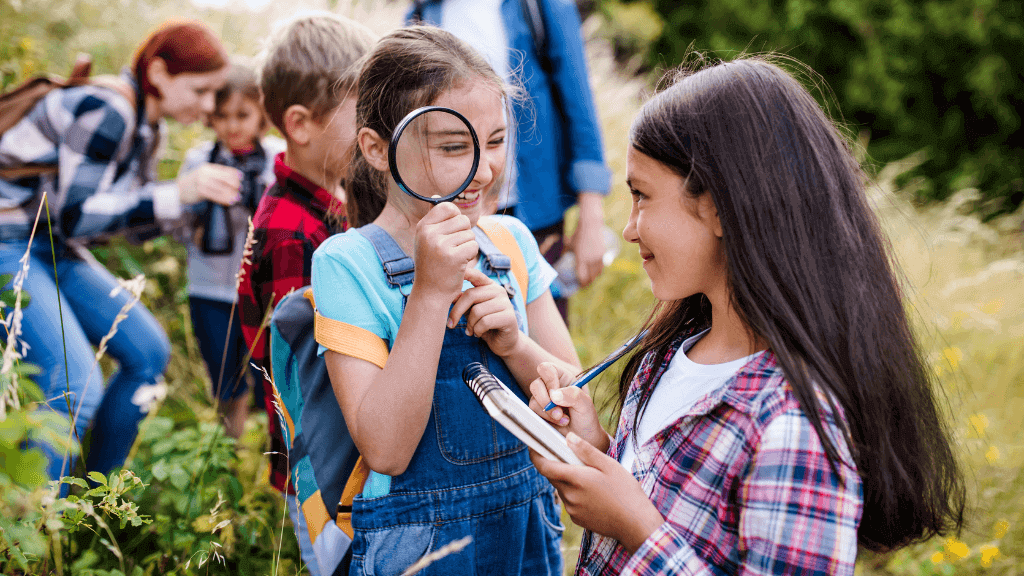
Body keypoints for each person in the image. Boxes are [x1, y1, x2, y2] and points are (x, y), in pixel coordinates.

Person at [528, 57, 967, 575]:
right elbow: (666, 492)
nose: (629, 228)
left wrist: (637, 531)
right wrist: (595, 448)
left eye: (642, 196)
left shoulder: (794, 425)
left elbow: (647, 521)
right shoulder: (670, 352)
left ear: (715, 205)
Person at [311, 26, 581, 576]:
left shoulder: (512, 243)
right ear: (377, 150)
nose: (484, 171)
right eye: (455, 147)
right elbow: (386, 450)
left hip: (527, 533)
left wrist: (514, 343)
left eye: (499, 140)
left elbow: (570, 409)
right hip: (420, 550)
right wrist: (430, 293)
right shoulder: (346, 264)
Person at [0, 19, 230, 483]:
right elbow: (78, 216)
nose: (208, 106)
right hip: (9, 241)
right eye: (201, 90)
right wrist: (174, 194)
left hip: (50, 245)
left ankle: (92, 500)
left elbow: (119, 222)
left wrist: (191, 210)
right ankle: (35, 534)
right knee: (72, 387)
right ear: (160, 72)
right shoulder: (111, 109)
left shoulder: (148, 129)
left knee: (148, 353)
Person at [235, 11, 376, 576]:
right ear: (301, 124)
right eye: (360, 116)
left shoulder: (321, 203)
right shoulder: (293, 233)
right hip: (324, 468)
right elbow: (311, 373)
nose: (374, 132)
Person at [408, 0, 612, 320]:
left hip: (536, 213)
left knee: (542, 331)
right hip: (457, 207)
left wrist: (592, 213)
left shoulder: (537, 7)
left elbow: (578, 99)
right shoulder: (423, 13)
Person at [174, 63, 284, 439]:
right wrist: (199, 203)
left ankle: (274, 464)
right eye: (221, 117)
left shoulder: (275, 161)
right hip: (209, 289)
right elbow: (176, 228)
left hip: (262, 292)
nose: (232, 126)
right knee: (225, 383)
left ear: (262, 116)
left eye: (242, 115)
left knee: (271, 383)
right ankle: (226, 460)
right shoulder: (199, 161)